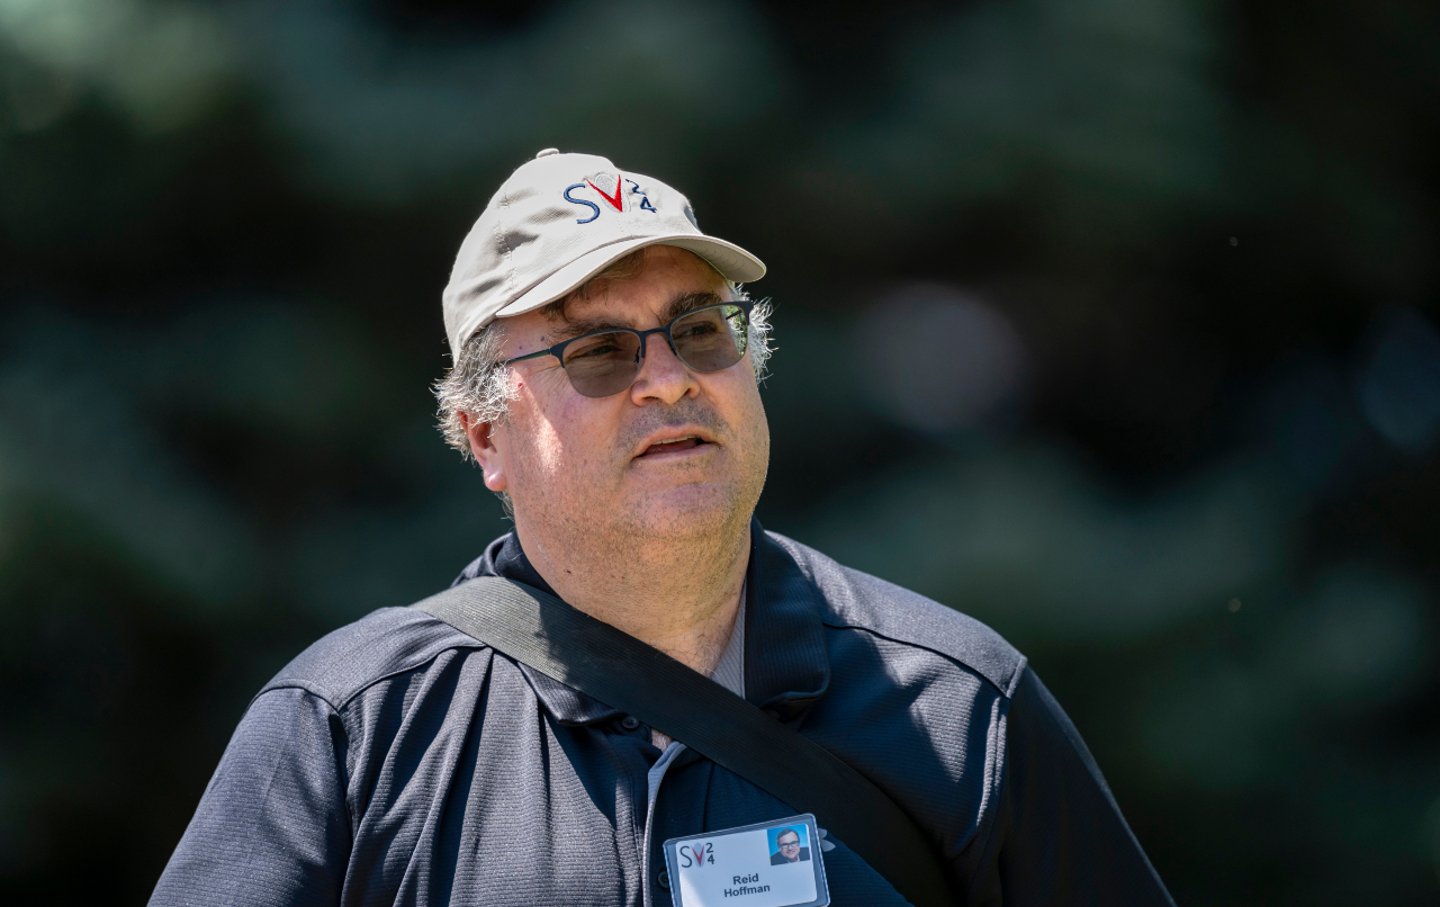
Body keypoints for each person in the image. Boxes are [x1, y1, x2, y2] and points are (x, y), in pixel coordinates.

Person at [149, 149, 1174, 906]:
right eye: (599, 350)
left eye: (697, 329)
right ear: (483, 435)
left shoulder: (962, 708)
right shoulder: (351, 730)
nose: (671, 377)